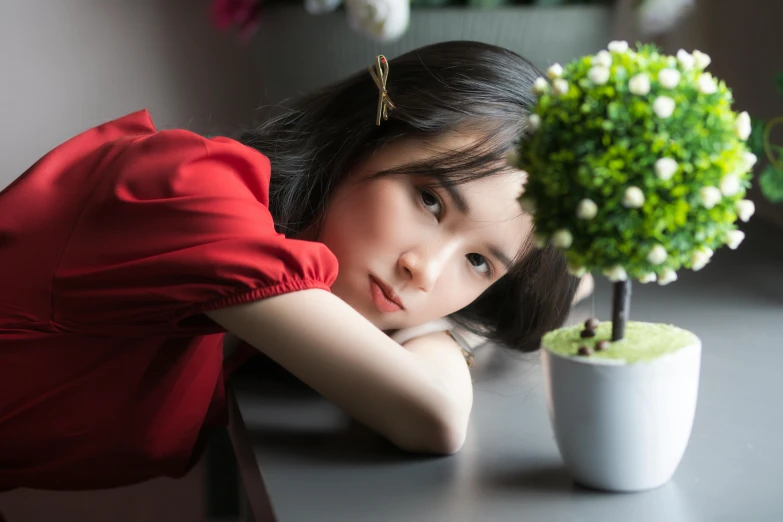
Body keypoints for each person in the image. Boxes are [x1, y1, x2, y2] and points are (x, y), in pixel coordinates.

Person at [0, 41, 588, 491]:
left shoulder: (295, 287)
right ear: (365, 135)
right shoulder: (192, 194)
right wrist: (446, 333)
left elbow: (574, 287)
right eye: (430, 200)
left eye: (479, 262)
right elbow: (433, 415)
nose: (424, 271)